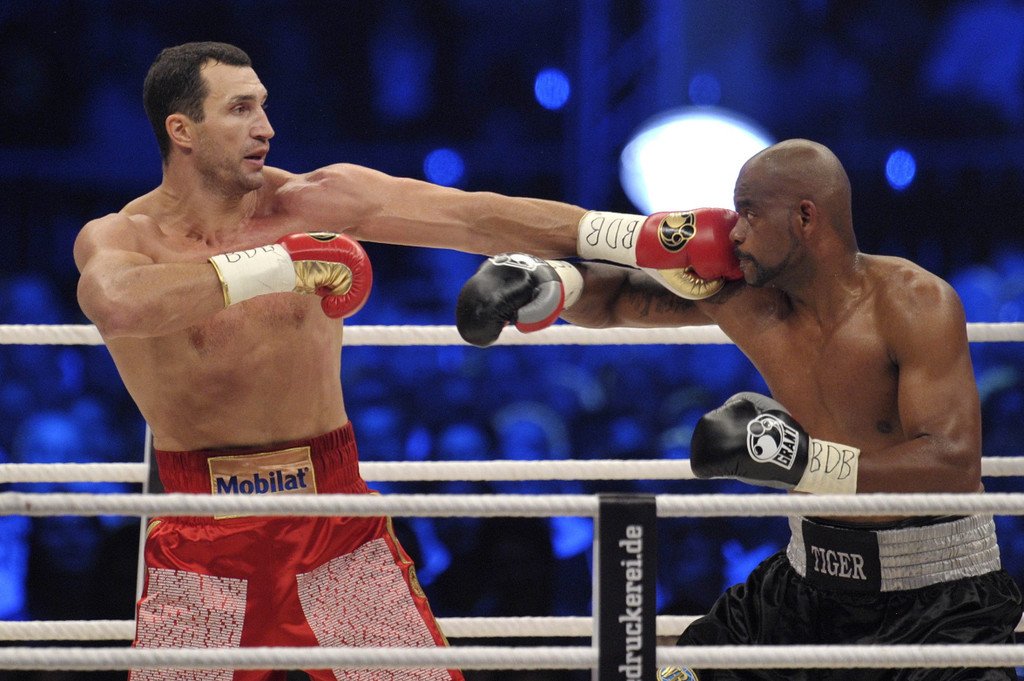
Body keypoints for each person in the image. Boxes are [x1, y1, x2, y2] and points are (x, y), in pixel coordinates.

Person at [69, 39, 630, 681]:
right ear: (182, 130)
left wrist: (630, 236)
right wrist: (279, 265)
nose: (266, 127)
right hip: (202, 543)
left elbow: (476, 217)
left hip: (332, 528)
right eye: (241, 109)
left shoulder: (312, 203)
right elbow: (116, 302)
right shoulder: (124, 236)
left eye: (264, 106)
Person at [455, 138, 1024, 680]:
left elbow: (951, 463)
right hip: (806, 589)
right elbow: (624, 297)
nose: (734, 231)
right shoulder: (749, 298)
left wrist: (804, 463)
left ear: (805, 217)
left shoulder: (914, 302)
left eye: (749, 212)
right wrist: (551, 282)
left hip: (935, 599)